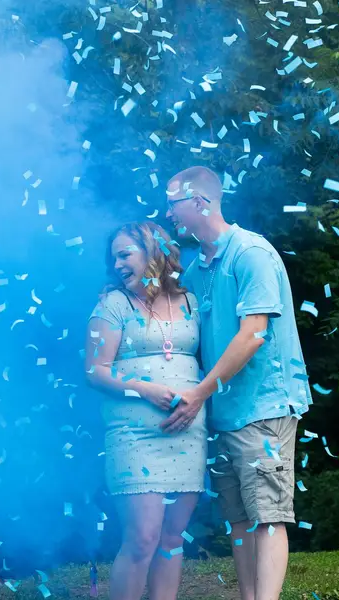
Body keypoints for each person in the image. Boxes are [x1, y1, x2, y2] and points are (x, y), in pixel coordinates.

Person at [161, 166, 312, 600]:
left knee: (268, 515)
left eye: (173, 202)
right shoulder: (198, 268)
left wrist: (198, 393)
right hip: (224, 415)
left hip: (264, 408)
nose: (169, 212)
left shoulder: (251, 254)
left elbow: (254, 333)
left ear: (200, 202)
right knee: (240, 521)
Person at [84, 221, 207, 600]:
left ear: (153, 250)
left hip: (188, 431)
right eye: (114, 258)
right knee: (142, 538)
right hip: (134, 436)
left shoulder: (190, 301)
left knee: (171, 539)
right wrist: (143, 389)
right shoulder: (112, 304)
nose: (118, 264)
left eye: (125, 254)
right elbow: (95, 371)